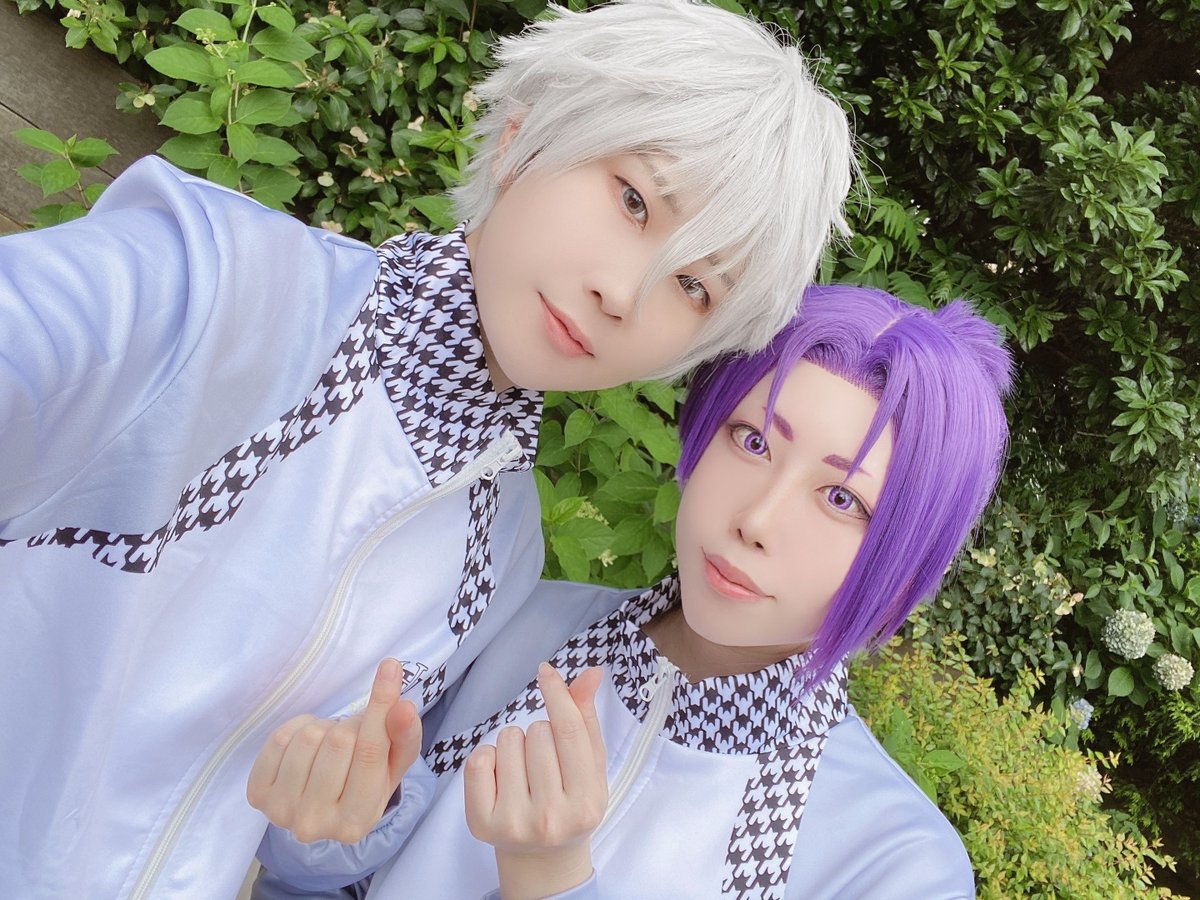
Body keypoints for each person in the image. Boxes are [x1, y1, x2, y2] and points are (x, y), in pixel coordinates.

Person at [0, 2, 854, 897]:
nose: (623, 295)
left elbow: (294, 857)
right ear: (520, 139)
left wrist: (340, 813)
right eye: (633, 199)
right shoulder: (213, 285)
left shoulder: (504, 547)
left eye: (693, 285)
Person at [253, 284, 1011, 899]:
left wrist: (550, 878)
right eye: (752, 441)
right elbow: (304, 883)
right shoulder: (514, 618)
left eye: (841, 499)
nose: (756, 520)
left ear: (906, 563)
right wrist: (334, 819)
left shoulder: (897, 865)